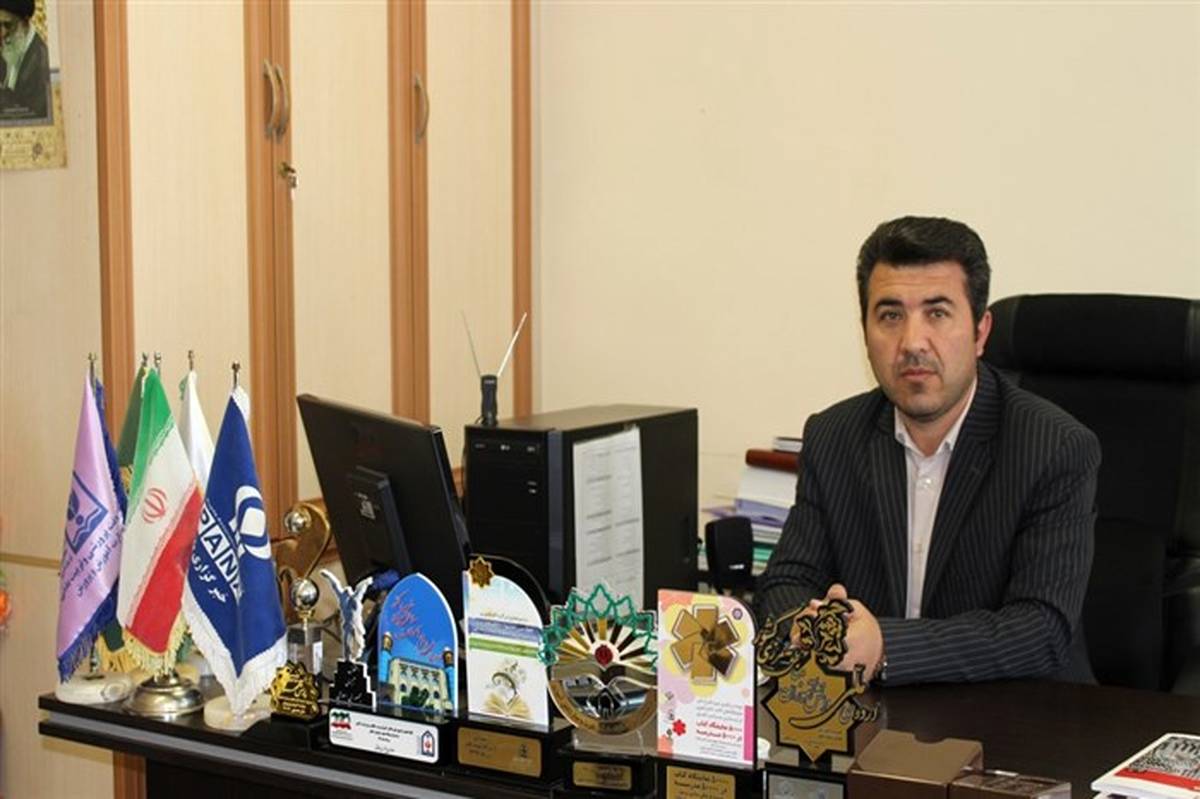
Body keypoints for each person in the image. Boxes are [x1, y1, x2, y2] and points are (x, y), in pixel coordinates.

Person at [755, 216, 1100, 686]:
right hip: (873, 716)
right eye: (890, 316)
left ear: (980, 332)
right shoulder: (833, 436)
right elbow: (786, 582)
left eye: (937, 313)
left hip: (1015, 714)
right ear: (864, 331)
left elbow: (1040, 629)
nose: (912, 342)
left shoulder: (1054, 447)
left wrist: (886, 648)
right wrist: (810, 625)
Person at [0, 0, 50, 121]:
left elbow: (33, 116)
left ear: (25, 22)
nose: (2, 34)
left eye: (8, 25)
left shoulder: (41, 61)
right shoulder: (7, 48)